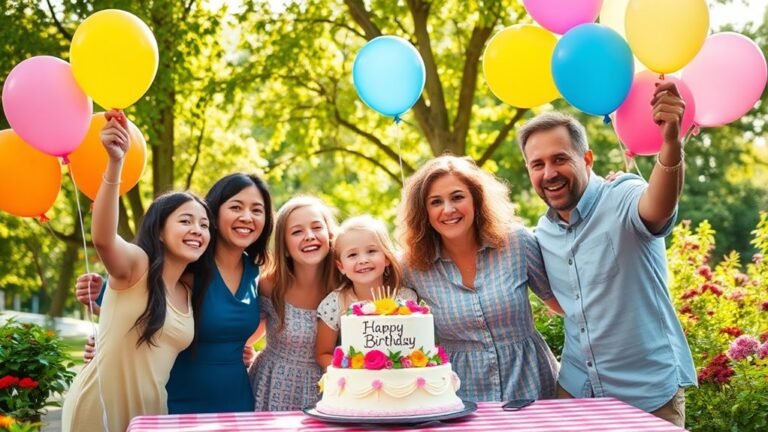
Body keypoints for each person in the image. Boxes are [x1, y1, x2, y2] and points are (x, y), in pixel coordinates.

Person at [516, 81, 696, 427]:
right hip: (575, 393)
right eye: (537, 164)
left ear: (586, 159)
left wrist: (670, 143)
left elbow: (658, 206)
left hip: (647, 398)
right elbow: (561, 302)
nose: (549, 173)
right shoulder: (544, 232)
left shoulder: (623, 195)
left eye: (559, 159)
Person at [62, 110, 214, 431]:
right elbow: (103, 238)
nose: (197, 230)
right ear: (159, 230)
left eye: (204, 224)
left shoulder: (188, 291)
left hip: (149, 416)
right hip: (99, 409)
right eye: (185, 221)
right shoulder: (136, 266)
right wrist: (115, 162)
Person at [75, 172, 274, 414]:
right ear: (215, 213)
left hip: (237, 401)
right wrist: (101, 343)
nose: (247, 217)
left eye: (257, 210)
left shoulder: (256, 272)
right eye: (236, 207)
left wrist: (246, 349)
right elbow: (131, 304)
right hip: (176, 401)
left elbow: (252, 325)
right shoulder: (186, 264)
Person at [397, 155, 563, 402]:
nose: (448, 209)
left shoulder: (516, 242)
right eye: (435, 202)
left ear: (476, 199)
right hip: (460, 393)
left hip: (532, 384)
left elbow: (564, 306)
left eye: (457, 197)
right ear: (424, 212)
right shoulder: (412, 266)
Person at [249, 196, 338, 410]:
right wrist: (243, 348)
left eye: (317, 227)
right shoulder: (270, 284)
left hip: (328, 388)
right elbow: (253, 329)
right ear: (285, 246)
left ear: (330, 236)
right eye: (297, 231)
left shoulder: (344, 285)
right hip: (274, 384)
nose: (309, 236)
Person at [315, 215, 418, 370]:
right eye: (352, 255)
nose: (363, 260)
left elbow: (418, 343)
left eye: (371, 251)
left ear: (387, 258)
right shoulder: (334, 304)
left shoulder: (405, 299)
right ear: (341, 266)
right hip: (355, 387)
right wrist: (353, 373)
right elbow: (323, 353)